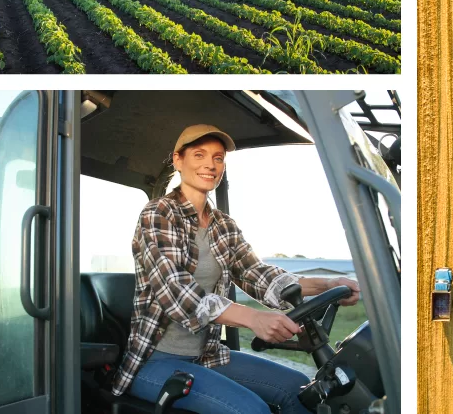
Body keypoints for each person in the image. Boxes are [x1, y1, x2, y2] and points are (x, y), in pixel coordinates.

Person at [111, 124, 361, 414]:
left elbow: (258, 274)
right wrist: (252, 318)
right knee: (252, 410)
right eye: (199, 155)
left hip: (207, 355)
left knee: (298, 389)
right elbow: (177, 292)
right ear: (178, 160)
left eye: (218, 158)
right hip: (154, 361)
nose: (210, 165)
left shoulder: (223, 226)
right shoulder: (157, 214)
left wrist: (327, 286)